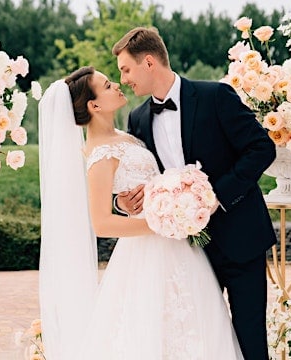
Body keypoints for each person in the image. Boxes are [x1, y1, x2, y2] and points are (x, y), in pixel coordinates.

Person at [38, 66, 243, 359]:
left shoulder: (127, 135)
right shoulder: (98, 155)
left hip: (177, 245)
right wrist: (164, 221)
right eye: (108, 86)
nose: (118, 86)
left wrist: (173, 208)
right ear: (93, 105)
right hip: (146, 253)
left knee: (197, 322)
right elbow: (102, 224)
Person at [112, 27, 277, 359]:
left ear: (148, 62)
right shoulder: (138, 118)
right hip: (186, 253)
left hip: (241, 239)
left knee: (250, 339)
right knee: (200, 341)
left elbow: (261, 148)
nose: (124, 79)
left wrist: (215, 196)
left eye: (125, 69)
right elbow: (140, 176)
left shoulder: (216, 96)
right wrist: (123, 202)